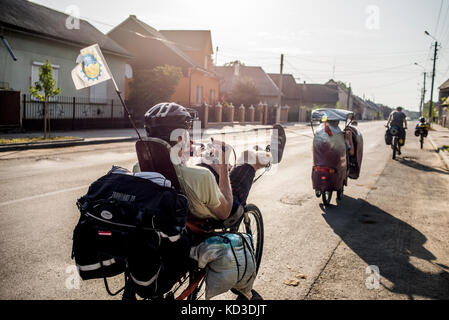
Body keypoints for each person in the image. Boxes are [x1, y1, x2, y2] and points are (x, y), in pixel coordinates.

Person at [134, 102, 285, 300]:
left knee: (208, 164)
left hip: (175, 215)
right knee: (248, 157)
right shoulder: (201, 177)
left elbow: (174, 168)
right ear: (180, 136)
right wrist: (222, 165)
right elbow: (224, 211)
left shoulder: (139, 168)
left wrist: (188, 151)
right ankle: (271, 153)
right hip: (212, 215)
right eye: (187, 131)